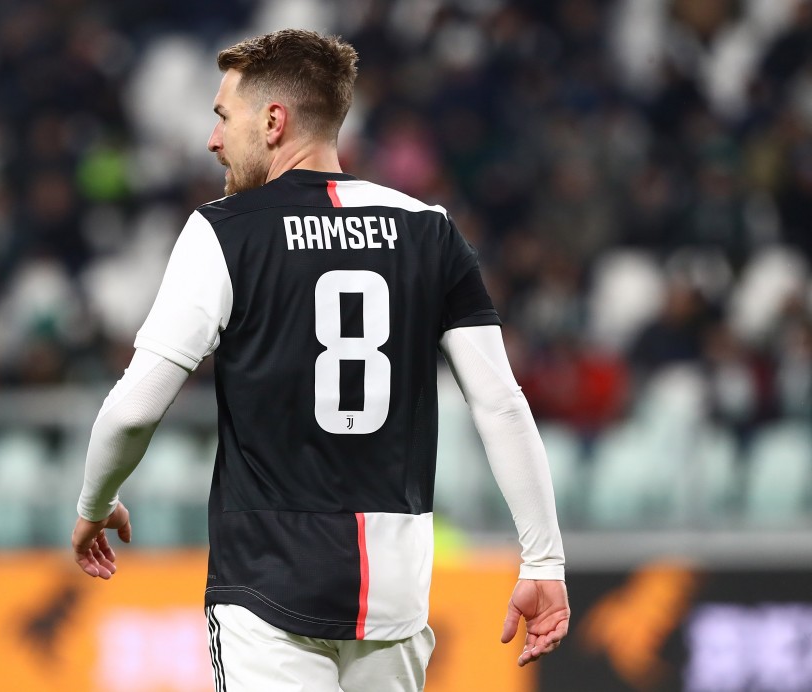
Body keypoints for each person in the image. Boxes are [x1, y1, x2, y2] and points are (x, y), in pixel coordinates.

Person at [71, 29, 569, 692]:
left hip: (266, 590)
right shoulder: (429, 229)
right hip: (390, 597)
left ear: (273, 121)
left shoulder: (224, 230)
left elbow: (134, 409)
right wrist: (544, 561)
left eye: (223, 118)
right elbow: (501, 403)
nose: (214, 140)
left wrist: (95, 502)